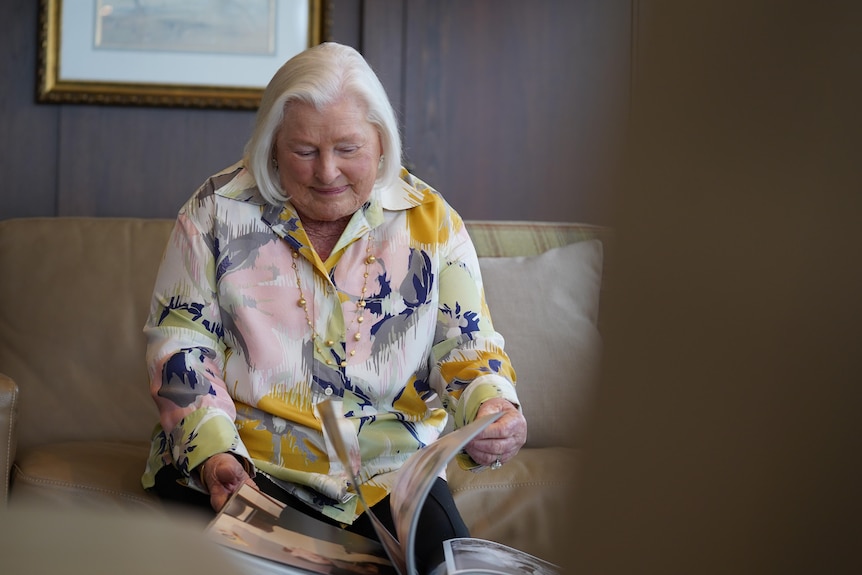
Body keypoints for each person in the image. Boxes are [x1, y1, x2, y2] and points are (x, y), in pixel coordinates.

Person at [141, 41, 527, 574]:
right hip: (251, 464)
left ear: (382, 143)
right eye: (304, 151)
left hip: (388, 474)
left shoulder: (431, 223)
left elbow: (466, 345)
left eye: (347, 150)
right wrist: (213, 456)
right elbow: (182, 346)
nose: (326, 173)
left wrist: (492, 409)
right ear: (273, 145)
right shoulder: (215, 212)